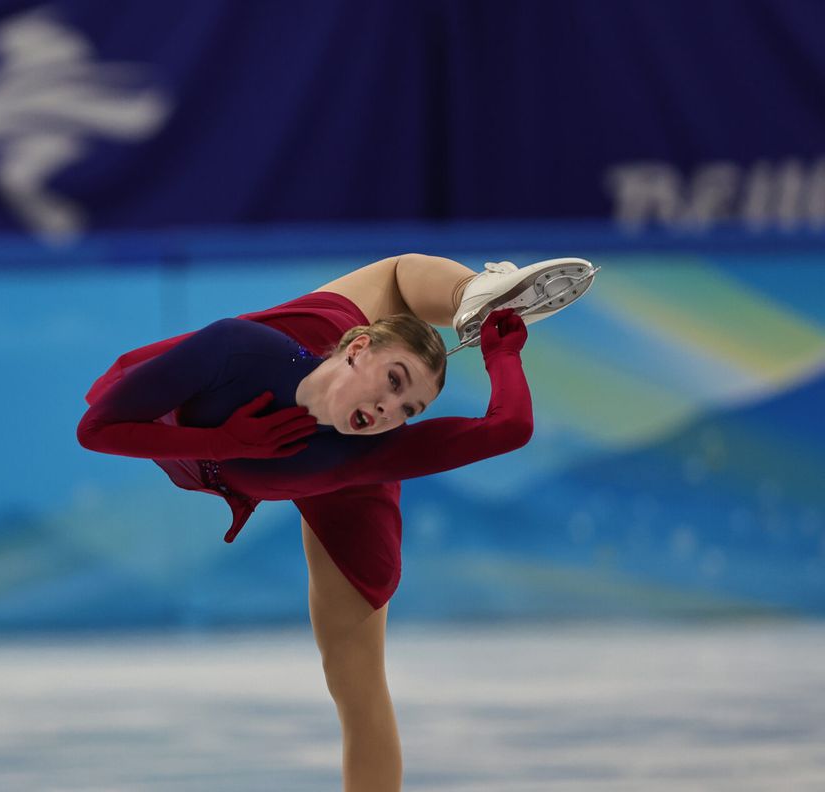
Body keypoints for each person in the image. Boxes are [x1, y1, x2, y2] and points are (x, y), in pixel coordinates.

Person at [78, 253, 596, 792]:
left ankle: (479, 307)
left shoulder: (374, 452)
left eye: (409, 409)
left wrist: (502, 351)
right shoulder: (237, 349)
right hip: (303, 356)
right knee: (395, 276)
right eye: (393, 383)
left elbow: (509, 427)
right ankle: (474, 290)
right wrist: (224, 443)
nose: (389, 409)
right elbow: (96, 428)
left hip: (343, 477)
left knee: (355, 679)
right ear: (358, 347)